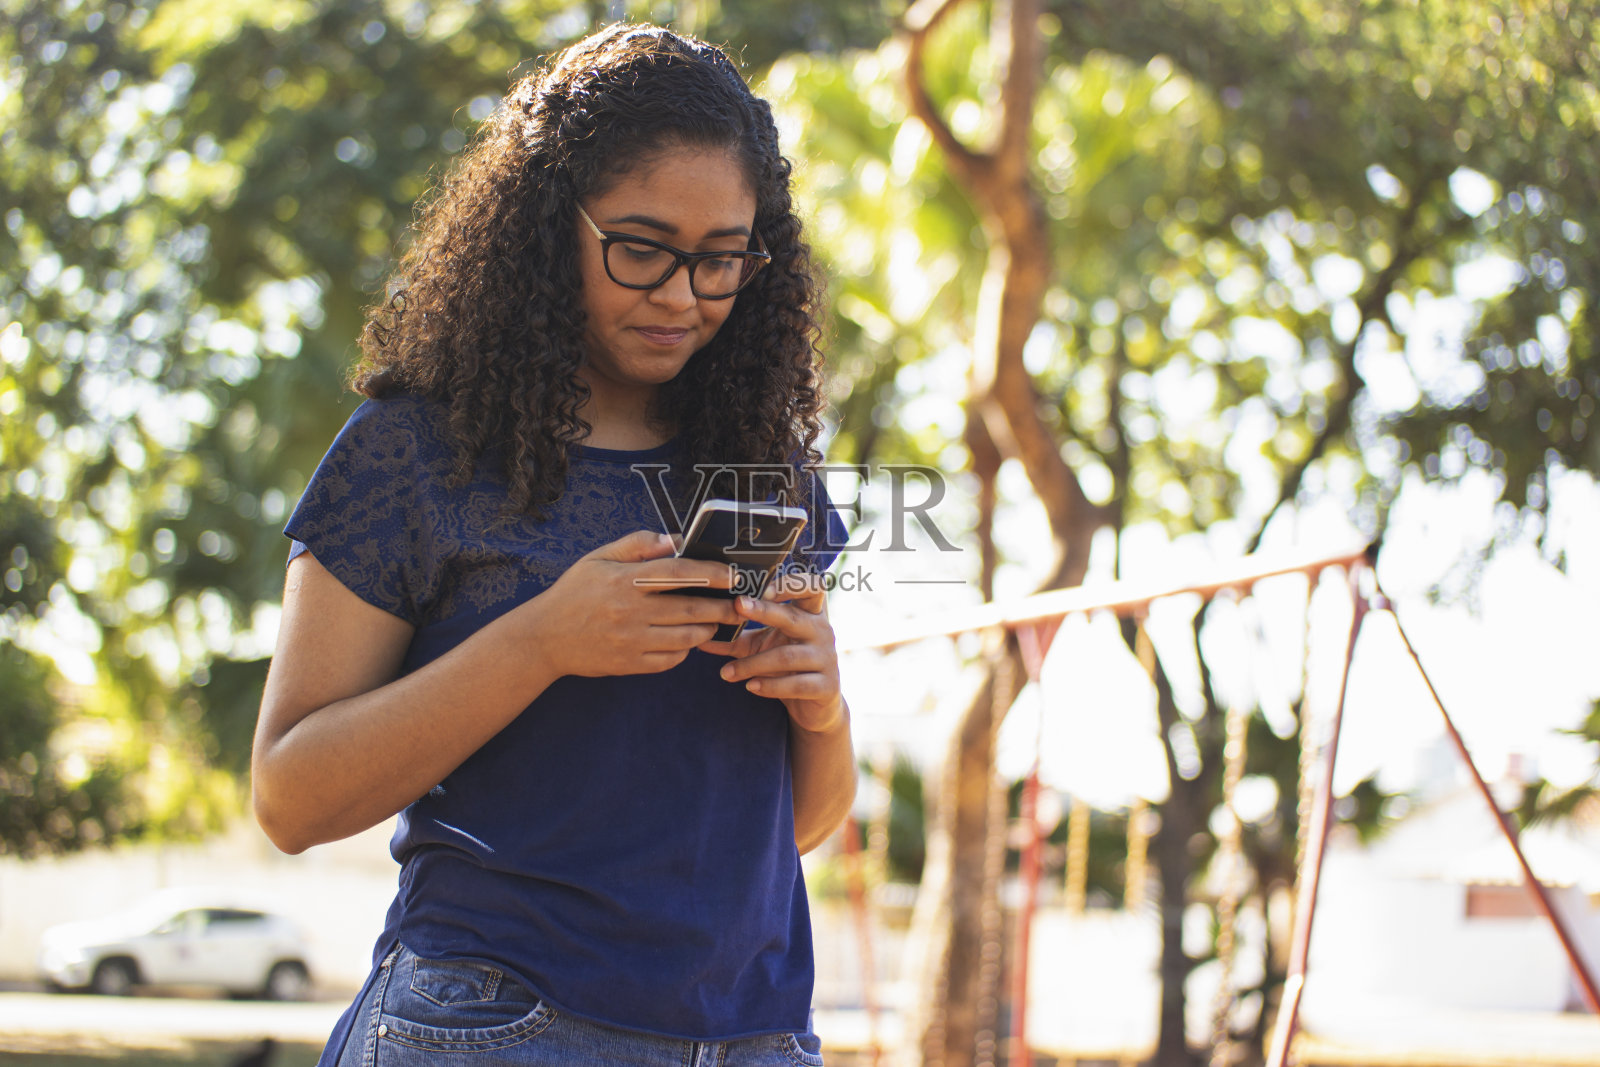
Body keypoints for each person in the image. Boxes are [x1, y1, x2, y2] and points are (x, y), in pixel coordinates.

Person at [251, 23, 854, 1067]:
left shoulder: (764, 466)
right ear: (545, 226)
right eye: (640, 247)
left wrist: (822, 702)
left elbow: (794, 825)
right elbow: (291, 797)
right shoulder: (417, 452)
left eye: (721, 260)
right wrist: (542, 640)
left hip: (754, 1032)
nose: (682, 295)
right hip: (495, 1023)